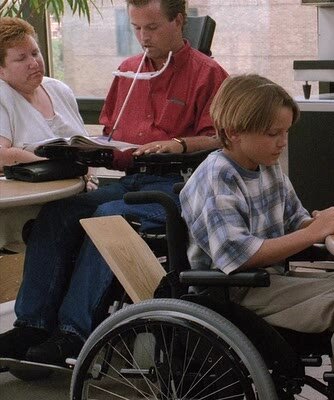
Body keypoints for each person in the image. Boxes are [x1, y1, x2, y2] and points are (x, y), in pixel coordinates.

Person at [0, 0, 228, 365]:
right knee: (59, 212)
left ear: (179, 21)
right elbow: (111, 136)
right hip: (132, 179)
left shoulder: (208, 74)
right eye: (136, 28)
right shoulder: (128, 72)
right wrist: (89, 152)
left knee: (107, 217)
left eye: (151, 28)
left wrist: (181, 144)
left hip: (181, 186)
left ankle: (74, 332)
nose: (142, 37)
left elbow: (221, 138)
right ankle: (33, 323)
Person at [180, 74, 334, 400]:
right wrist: (314, 231)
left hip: (269, 280)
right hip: (233, 293)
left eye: (286, 132)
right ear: (233, 132)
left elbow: (294, 222)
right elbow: (240, 256)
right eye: (273, 133)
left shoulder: (267, 166)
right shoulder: (216, 177)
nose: (283, 142)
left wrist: (321, 223)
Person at [0, 17, 87, 171]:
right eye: (21, 58)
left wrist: (90, 176)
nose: (34, 63)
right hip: (32, 186)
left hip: (81, 183)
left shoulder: (60, 90)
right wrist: (62, 166)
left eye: (35, 53)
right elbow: (2, 155)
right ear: (1, 70)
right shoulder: (3, 95)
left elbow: (86, 146)